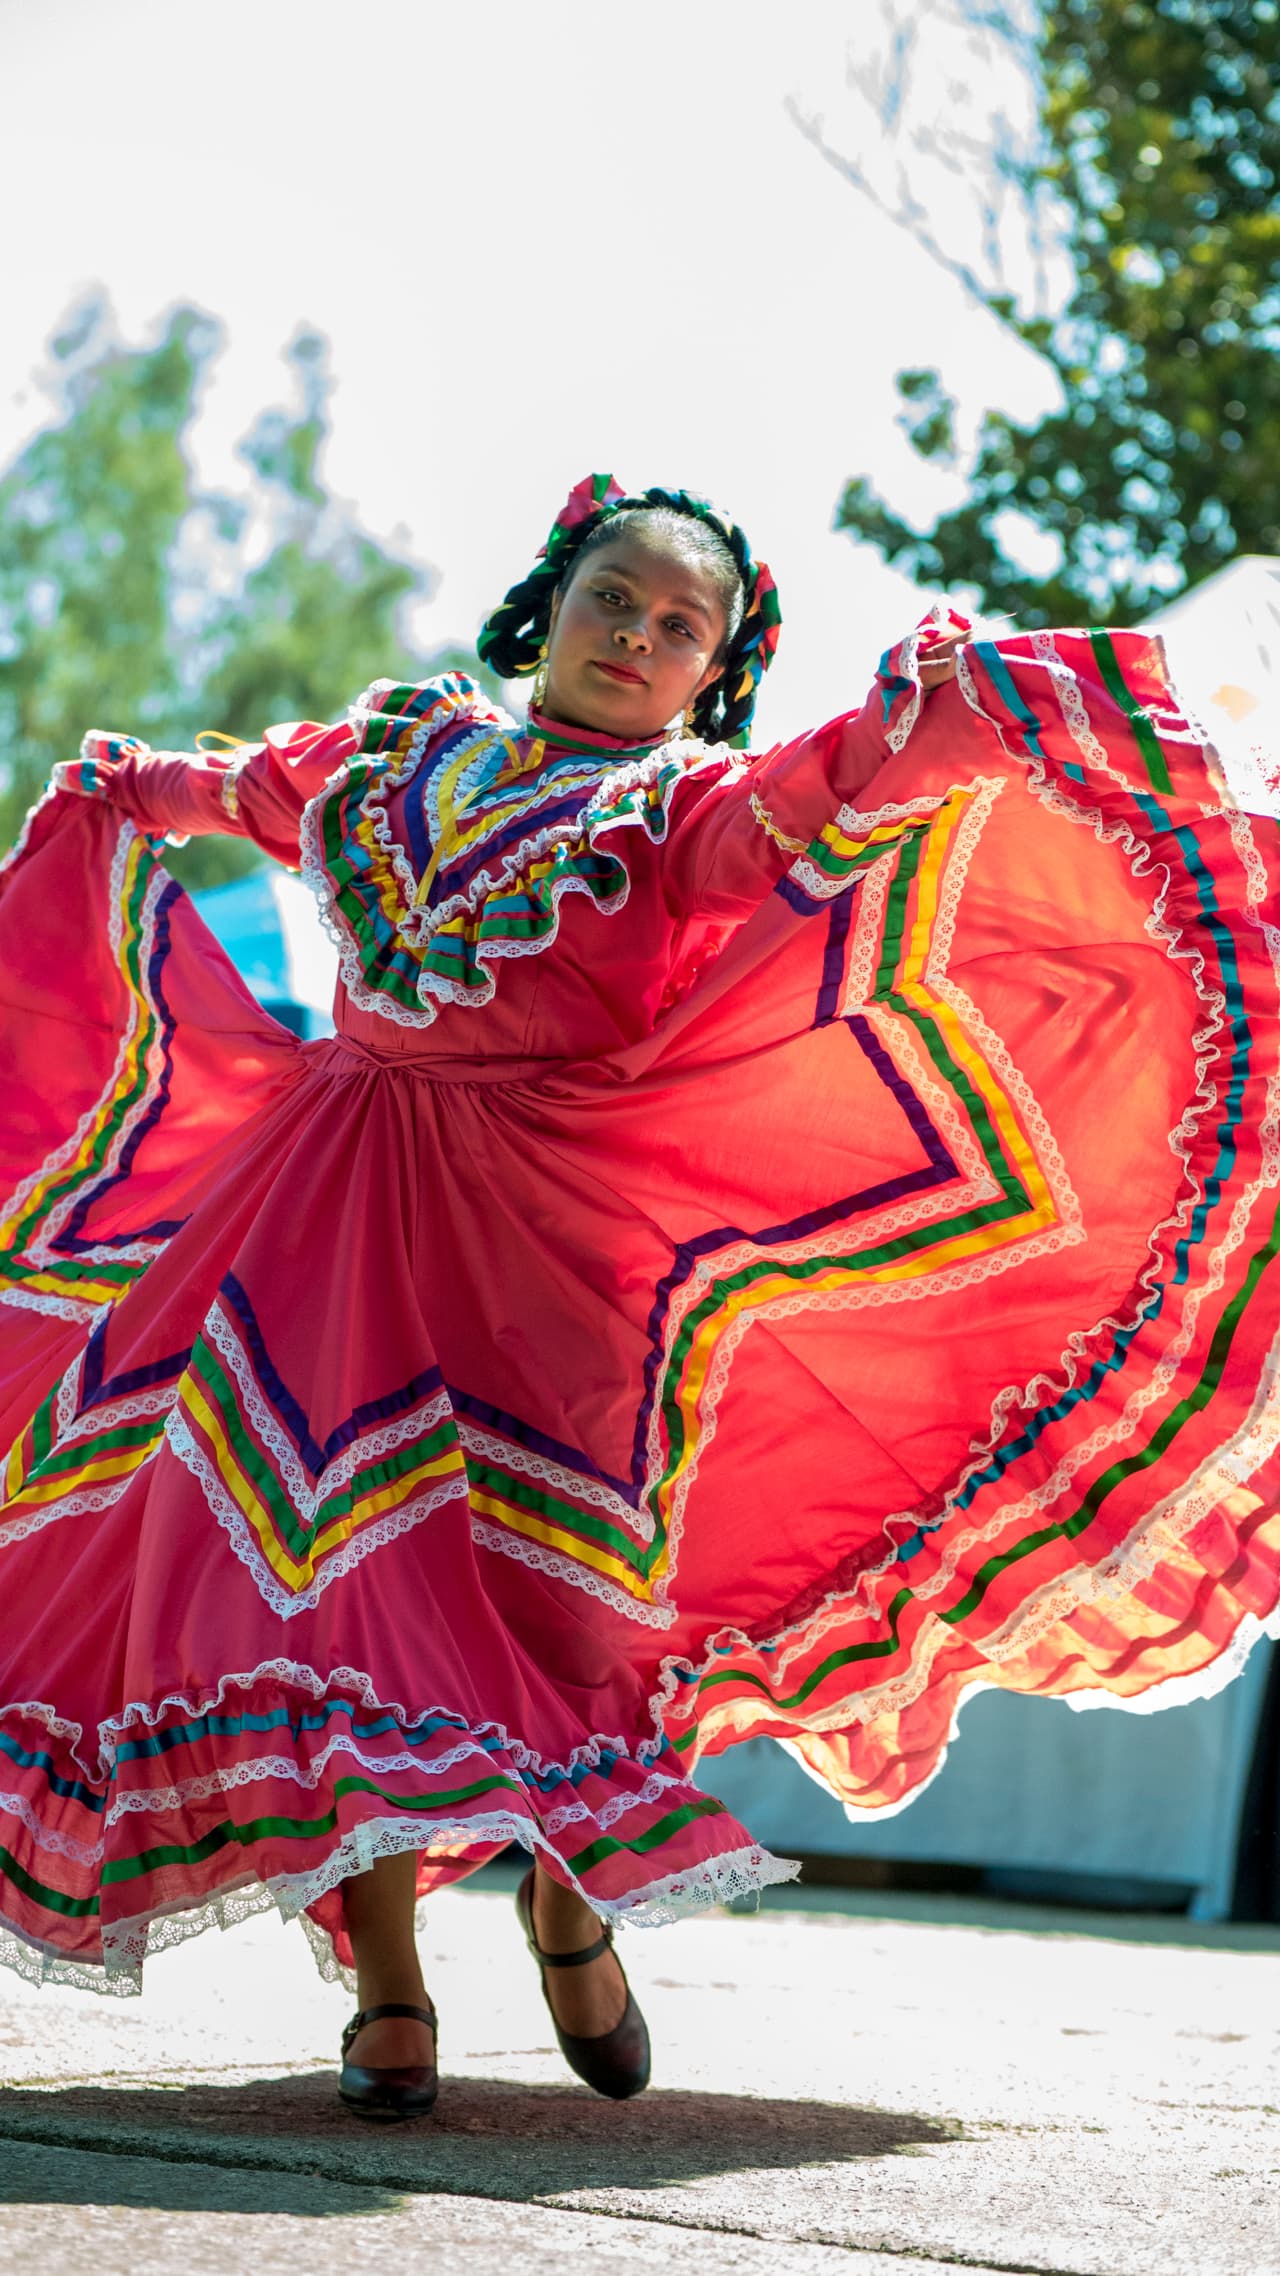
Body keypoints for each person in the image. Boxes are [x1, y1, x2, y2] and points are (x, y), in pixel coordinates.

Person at [2, 474, 1279, 2121]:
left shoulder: (681, 818)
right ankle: (388, 1986)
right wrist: (125, 787)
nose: (640, 636)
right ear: (553, 599)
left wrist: (940, 711)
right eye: (617, 597)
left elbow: (815, 801)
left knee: (576, 1610)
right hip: (322, 1221)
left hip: (563, 1257)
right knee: (320, 1590)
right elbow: (232, 787)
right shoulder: (387, 753)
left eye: (684, 627)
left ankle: (573, 1894)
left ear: (713, 670)